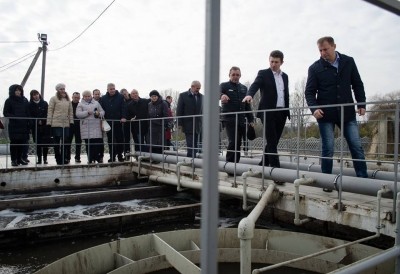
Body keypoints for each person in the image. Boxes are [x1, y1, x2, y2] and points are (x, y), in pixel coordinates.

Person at [305, 36, 368, 188]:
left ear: (334, 46)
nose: (323, 53)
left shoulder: (348, 61)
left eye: (325, 49)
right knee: (328, 148)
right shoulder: (314, 68)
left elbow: (357, 84)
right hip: (325, 114)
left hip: (347, 112)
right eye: (320, 50)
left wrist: (361, 103)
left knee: (356, 145)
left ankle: (364, 180)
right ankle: (327, 181)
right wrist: (314, 109)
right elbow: (309, 92)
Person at [243, 50, 290, 168]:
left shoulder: (285, 76)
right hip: (268, 112)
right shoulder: (263, 73)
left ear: (282, 62)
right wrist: (250, 94)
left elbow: (285, 94)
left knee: (274, 141)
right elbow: (255, 84)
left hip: (282, 112)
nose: (273, 64)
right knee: (272, 141)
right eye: (271, 61)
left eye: (276, 62)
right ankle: (277, 172)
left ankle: (263, 163)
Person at [221, 67, 254, 163]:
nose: (235, 77)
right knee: (233, 141)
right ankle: (229, 165)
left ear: (240, 75)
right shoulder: (224, 85)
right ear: (229, 75)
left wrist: (251, 120)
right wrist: (221, 95)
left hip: (241, 119)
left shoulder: (244, 88)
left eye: (237, 75)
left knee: (239, 142)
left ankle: (236, 164)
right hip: (229, 119)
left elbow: (247, 106)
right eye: (233, 74)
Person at [3, 84, 30, 166]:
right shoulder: (9, 100)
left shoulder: (25, 100)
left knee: (22, 143)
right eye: (16, 90)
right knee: (14, 143)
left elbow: (28, 111)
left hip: (24, 125)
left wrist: (28, 120)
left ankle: (20, 159)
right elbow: (6, 113)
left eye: (19, 90)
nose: (18, 92)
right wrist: (15, 117)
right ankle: (13, 160)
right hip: (14, 125)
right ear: (13, 91)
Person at [47, 83, 73, 165]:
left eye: (63, 89)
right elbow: (50, 110)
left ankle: (63, 158)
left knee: (65, 142)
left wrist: (71, 122)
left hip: (65, 124)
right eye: (61, 89)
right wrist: (49, 122)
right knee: (56, 142)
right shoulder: (53, 99)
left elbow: (71, 112)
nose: (63, 90)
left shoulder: (68, 100)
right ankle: (58, 158)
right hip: (56, 123)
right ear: (57, 90)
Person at [76, 90, 105, 164]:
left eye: (88, 96)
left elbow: (102, 112)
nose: (87, 98)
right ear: (83, 97)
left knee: (97, 144)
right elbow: (78, 114)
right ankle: (90, 159)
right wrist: (87, 113)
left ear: (91, 96)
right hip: (86, 127)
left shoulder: (96, 103)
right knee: (88, 144)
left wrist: (98, 113)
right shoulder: (80, 104)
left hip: (96, 126)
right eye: (85, 96)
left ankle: (98, 158)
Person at [100, 83, 127, 162]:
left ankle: (120, 155)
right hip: (108, 123)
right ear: (107, 89)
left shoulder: (120, 97)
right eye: (111, 89)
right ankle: (112, 156)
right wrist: (103, 120)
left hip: (118, 122)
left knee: (120, 140)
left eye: (113, 88)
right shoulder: (103, 98)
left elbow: (123, 108)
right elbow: (102, 109)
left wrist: (123, 117)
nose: (112, 90)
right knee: (110, 140)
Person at [176, 81, 203, 158]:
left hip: (198, 124)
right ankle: (191, 159)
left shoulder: (201, 97)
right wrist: (179, 123)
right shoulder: (183, 96)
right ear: (192, 86)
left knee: (195, 143)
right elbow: (179, 110)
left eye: (199, 88)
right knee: (190, 142)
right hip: (188, 123)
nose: (198, 90)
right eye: (197, 88)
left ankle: (191, 158)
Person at [29, 90, 51, 164]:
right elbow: (30, 115)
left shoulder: (44, 103)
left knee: (45, 143)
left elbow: (47, 113)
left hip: (44, 126)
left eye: (37, 94)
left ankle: (45, 159)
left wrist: (43, 120)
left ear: (39, 95)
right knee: (38, 143)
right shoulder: (30, 104)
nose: (36, 96)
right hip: (35, 127)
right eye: (34, 95)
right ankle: (39, 159)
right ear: (32, 96)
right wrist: (36, 121)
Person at [127, 89, 150, 154]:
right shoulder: (129, 105)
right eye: (133, 94)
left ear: (138, 94)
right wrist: (130, 119)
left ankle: (150, 157)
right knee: (140, 142)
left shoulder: (145, 101)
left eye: (136, 93)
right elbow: (128, 115)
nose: (135, 95)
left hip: (147, 125)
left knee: (149, 142)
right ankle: (141, 157)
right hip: (137, 127)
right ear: (131, 96)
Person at [148, 90, 169, 155]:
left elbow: (166, 115)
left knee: (160, 142)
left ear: (158, 96)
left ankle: (159, 158)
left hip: (160, 126)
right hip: (152, 126)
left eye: (155, 96)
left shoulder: (163, 103)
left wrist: (164, 125)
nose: (154, 97)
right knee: (153, 143)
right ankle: (154, 157)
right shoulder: (149, 104)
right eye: (152, 96)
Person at [66, 92, 82, 163]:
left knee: (78, 142)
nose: (76, 99)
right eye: (75, 97)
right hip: (70, 125)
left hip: (79, 125)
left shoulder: (81, 105)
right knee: (68, 142)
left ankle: (77, 157)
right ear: (72, 97)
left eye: (78, 98)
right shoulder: (68, 104)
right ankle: (67, 157)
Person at [92, 89, 104, 162]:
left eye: (98, 94)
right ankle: (93, 156)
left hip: (101, 122)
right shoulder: (90, 102)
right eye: (95, 94)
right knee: (93, 141)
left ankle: (101, 156)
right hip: (92, 124)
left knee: (100, 141)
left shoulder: (103, 101)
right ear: (93, 95)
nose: (97, 95)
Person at [121, 88, 132, 160]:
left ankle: (138, 154)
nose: (124, 95)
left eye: (125, 94)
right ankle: (126, 154)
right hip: (126, 122)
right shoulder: (122, 102)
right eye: (123, 95)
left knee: (137, 138)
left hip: (134, 121)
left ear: (128, 93)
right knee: (126, 139)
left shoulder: (132, 99)